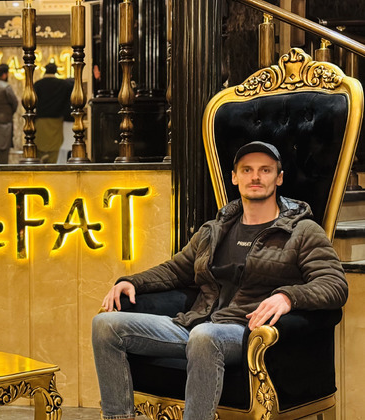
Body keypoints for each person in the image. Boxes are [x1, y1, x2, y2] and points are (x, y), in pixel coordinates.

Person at [91, 141, 348, 420]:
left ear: (279, 178)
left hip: (245, 331)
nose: (255, 177)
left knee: (205, 336)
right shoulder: (214, 230)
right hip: (196, 324)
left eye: (265, 170)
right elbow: (176, 270)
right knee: (105, 325)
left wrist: (288, 297)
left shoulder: (302, 231)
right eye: (247, 170)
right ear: (235, 177)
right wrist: (133, 282)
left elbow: (335, 284)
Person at [33, 62, 72, 163]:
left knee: (40, 144)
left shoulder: (38, 84)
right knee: (55, 147)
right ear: (56, 71)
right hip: (56, 121)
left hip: (41, 120)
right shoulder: (63, 85)